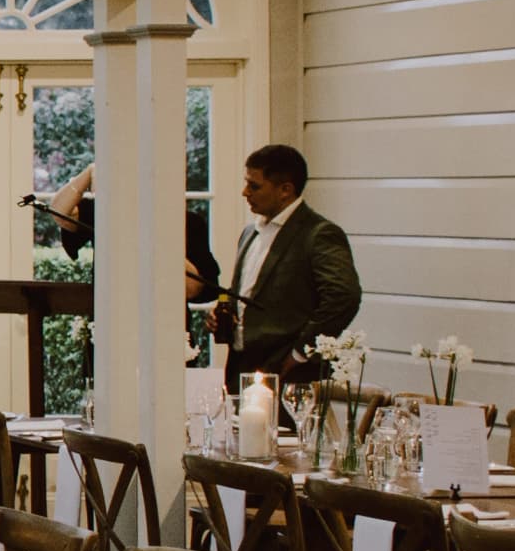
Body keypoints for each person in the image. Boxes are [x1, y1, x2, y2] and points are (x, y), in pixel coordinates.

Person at [211, 143, 361, 385]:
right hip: (240, 366)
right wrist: (225, 315)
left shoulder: (318, 234)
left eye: (254, 186)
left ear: (285, 190)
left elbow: (344, 297)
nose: (244, 192)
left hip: (288, 372)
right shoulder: (250, 232)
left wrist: (301, 352)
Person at [37, 164, 218, 306]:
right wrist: (90, 172)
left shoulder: (188, 222)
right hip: (110, 319)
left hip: (165, 325)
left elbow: (195, 289)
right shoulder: (104, 215)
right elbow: (59, 212)